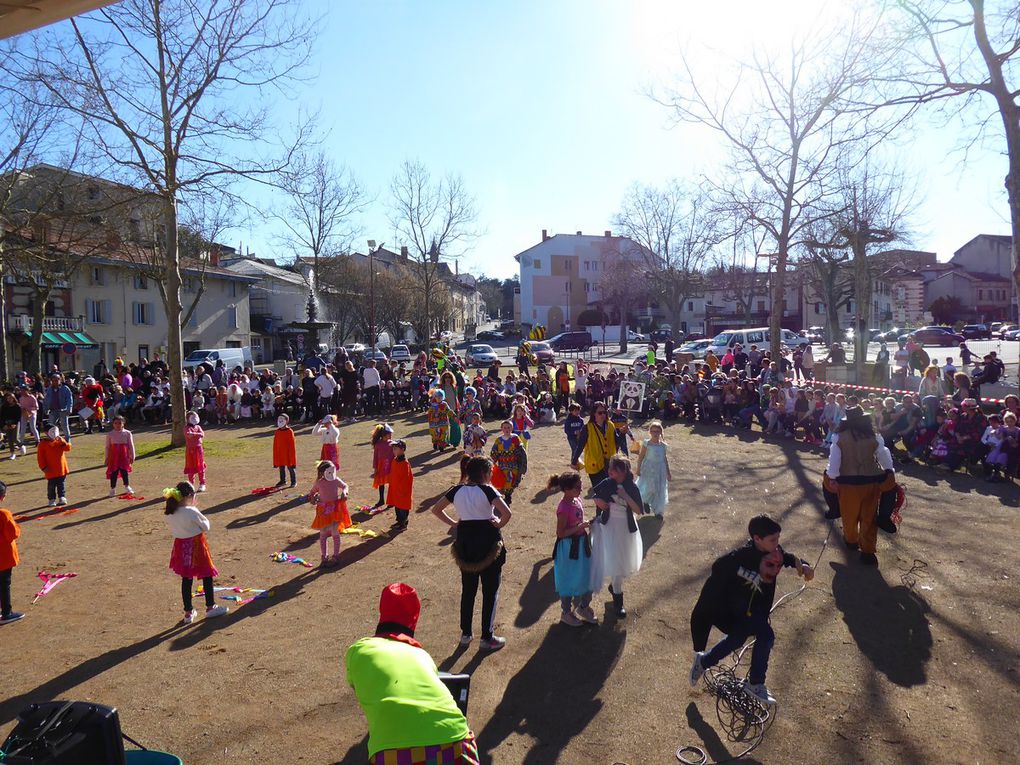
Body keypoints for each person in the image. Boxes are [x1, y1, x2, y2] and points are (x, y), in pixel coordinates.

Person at [345, 582, 479, 764]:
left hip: (393, 753)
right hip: (456, 740)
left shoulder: (359, 650)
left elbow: (360, 687)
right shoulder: (422, 655)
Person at [689, 513, 815, 706]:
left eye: (778, 539)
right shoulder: (740, 557)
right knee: (766, 636)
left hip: (758, 607)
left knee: (737, 639)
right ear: (757, 539)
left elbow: (789, 558)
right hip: (738, 609)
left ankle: (703, 662)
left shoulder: (776, 551)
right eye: (772, 540)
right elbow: (718, 569)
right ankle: (755, 683)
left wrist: (804, 566)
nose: (777, 543)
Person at [430, 456, 512, 651]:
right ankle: (487, 636)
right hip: (488, 541)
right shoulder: (488, 489)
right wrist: (498, 523)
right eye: (490, 472)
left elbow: (436, 509)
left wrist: (455, 523)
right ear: (484, 473)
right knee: (490, 590)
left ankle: (466, 634)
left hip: (465, 541)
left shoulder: (456, 489)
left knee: (468, 590)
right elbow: (507, 513)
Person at [826, 406, 896, 565]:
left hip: (847, 482)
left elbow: (834, 460)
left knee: (849, 514)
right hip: (870, 481)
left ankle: (848, 536)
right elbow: (884, 455)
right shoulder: (874, 436)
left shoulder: (838, 437)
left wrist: (832, 477)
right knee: (869, 516)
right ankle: (869, 549)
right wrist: (889, 471)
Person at [164, 481, 228, 624]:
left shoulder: (171, 511)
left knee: (186, 579)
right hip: (197, 545)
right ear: (189, 496)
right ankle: (210, 607)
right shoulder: (191, 511)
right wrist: (195, 510)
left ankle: (188, 612)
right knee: (207, 574)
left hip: (181, 546)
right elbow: (206, 526)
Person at [589, 456, 645, 618]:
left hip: (625, 529)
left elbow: (638, 510)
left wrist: (625, 496)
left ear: (623, 471)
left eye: (613, 469)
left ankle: (615, 587)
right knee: (615, 562)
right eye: (610, 469)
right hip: (609, 527)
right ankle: (618, 603)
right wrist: (598, 502)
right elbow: (595, 494)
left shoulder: (631, 487)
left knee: (623, 561)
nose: (609, 471)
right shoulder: (607, 483)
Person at [548, 471, 597, 627]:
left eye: (581, 486)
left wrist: (589, 523)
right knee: (568, 580)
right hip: (569, 548)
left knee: (587, 576)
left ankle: (583, 607)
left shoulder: (576, 500)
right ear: (567, 489)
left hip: (582, 544)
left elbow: (579, 521)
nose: (581, 490)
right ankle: (566, 612)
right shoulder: (563, 508)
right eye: (577, 487)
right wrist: (579, 527)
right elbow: (560, 533)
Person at [307, 459, 351, 567]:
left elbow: (345, 486)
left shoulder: (335, 480)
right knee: (323, 533)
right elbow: (312, 492)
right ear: (322, 473)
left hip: (335, 509)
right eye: (329, 471)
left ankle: (336, 556)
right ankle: (324, 556)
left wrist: (345, 493)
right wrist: (312, 498)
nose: (332, 473)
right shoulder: (319, 482)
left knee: (335, 532)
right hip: (323, 511)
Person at [570, 403, 623, 486]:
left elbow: (618, 442)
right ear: (594, 413)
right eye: (600, 412)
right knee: (599, 491)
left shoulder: (611, 425)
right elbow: (580, 446)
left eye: (604, 412)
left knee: (610, 489)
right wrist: (574, 461)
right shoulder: (587, 428)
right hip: (594, 464)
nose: (603, 414)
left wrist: (622, 433)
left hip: (609, 464)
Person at [635, 421, 671, 517]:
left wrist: (668, 472)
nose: (655, 433)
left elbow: (664, 458)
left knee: (659, 489)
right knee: (649, 487)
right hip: (649, 469)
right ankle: (645, 501)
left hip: (660, 470)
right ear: (650, 432)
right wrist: (638, 469)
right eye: (653, 431)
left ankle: (658, 511)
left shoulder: (663, 445)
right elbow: (641, 457)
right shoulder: (647, 443)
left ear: (660, 432)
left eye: (657, 431)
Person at [0, 481, 24, 625]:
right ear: (3, 496)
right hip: (3, 557)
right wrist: (17, 526)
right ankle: (6, 613)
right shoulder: (4, 514)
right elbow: (13, 534)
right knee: (4, 584)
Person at [489, 420, 528, 505]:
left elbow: (521, 451)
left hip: (514, 464)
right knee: (507, 479)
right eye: (505, 427)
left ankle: (508, 493)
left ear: (512, 428)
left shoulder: (515, 437)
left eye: (509, 427)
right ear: (501, 429)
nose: (507, 429)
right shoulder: (498, 440)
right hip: (503, 465)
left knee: (513, 480)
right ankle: (507, 496)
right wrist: (492, 461)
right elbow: (494, 452)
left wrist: (519, 448)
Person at [37, 425, 71, 507]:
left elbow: (68, 448)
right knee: (51, 486)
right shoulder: (42, 444)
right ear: (46, 433)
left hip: (61, 468)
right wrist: (43, 467)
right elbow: (40, 457)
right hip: (50, 469)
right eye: (52, 431)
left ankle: (62, 497)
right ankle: (51, 499)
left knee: (61, 484)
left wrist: (62, 441)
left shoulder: (59, 441)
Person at [385, 439, 415, 529]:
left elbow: (407, 479)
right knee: (397, 506)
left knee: (403, 508)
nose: (394, 450)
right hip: (395, 489)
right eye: (393, 448)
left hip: (402, 491)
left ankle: (403, 524)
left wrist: (401, 489)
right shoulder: (395, 460)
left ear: (402, 449)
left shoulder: (405, 463)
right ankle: (399, 521)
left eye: (396, 448)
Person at [105, 416, 136, 497]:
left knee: (124, 471)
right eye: (115, 423)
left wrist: (132, 456)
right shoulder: (110, 434)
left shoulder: (127, 433)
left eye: (119, 423)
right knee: (113, 473)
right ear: (113, 424)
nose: (117, 425)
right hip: (113, 457)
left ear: (123, 424)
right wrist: (107, 458)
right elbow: (107, 447)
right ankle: (112, 489)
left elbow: (131, 445)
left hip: (124, 456)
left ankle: (127, 486)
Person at [43, 374, 74, 442]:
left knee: (64, 426)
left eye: (57, 380)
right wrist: (46, 409)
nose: (55, 382)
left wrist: (69, 409)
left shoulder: (65, 388)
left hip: (63, 410)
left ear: (60, 380)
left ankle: (68, 441)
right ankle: (53, 441)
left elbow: (69, 399)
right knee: (51, 426)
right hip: (53, 410)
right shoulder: (49, 389)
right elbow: (46, 399)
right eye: (53, 381)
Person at [371, 424, 394, 508]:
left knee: (391, 484)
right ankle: (381, 500)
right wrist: (375, 468)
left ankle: (391, 501)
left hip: (390, 466)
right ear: (384, 435)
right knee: (381, 483)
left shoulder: (392, 444)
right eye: (389, 434)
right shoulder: (378, 444)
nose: (391, 435)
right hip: (381, 466)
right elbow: (375, 457)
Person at [183, 411, 207, 492]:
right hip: (190, 450)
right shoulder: (186, 428)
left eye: (195, 417)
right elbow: (188, 435)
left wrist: (194, 434)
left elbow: (202, 434)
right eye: (192, 418)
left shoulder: (198, 427)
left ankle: (202, 483)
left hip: (198, 449)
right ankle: (191, 484)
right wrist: (196, 434)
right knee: (191, 466)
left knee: (200, 466)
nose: (194, 419)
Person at [272, 413, 297, 488]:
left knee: (291, 468)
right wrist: (275, 458)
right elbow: (275, 444)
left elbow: (292, 445)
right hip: (280, 453)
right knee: (281, 467)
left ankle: (293, 481)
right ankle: (283, 480)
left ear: (286, 421)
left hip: (288, 453)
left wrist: (292, 457)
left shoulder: (289, 431)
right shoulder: (277, 432)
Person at [1, 392, 22, 461]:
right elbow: (1, 417)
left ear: (13, 398)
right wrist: (3, 425)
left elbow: (18, 417)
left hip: (15, 423)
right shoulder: (4, 407)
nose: (9, 399)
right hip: (7, 424)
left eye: (11, 398)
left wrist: (15, 424)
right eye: (8, 398)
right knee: (10, 440)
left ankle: (21, 445)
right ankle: (12, 454)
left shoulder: (17, 406)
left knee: (15, 438)